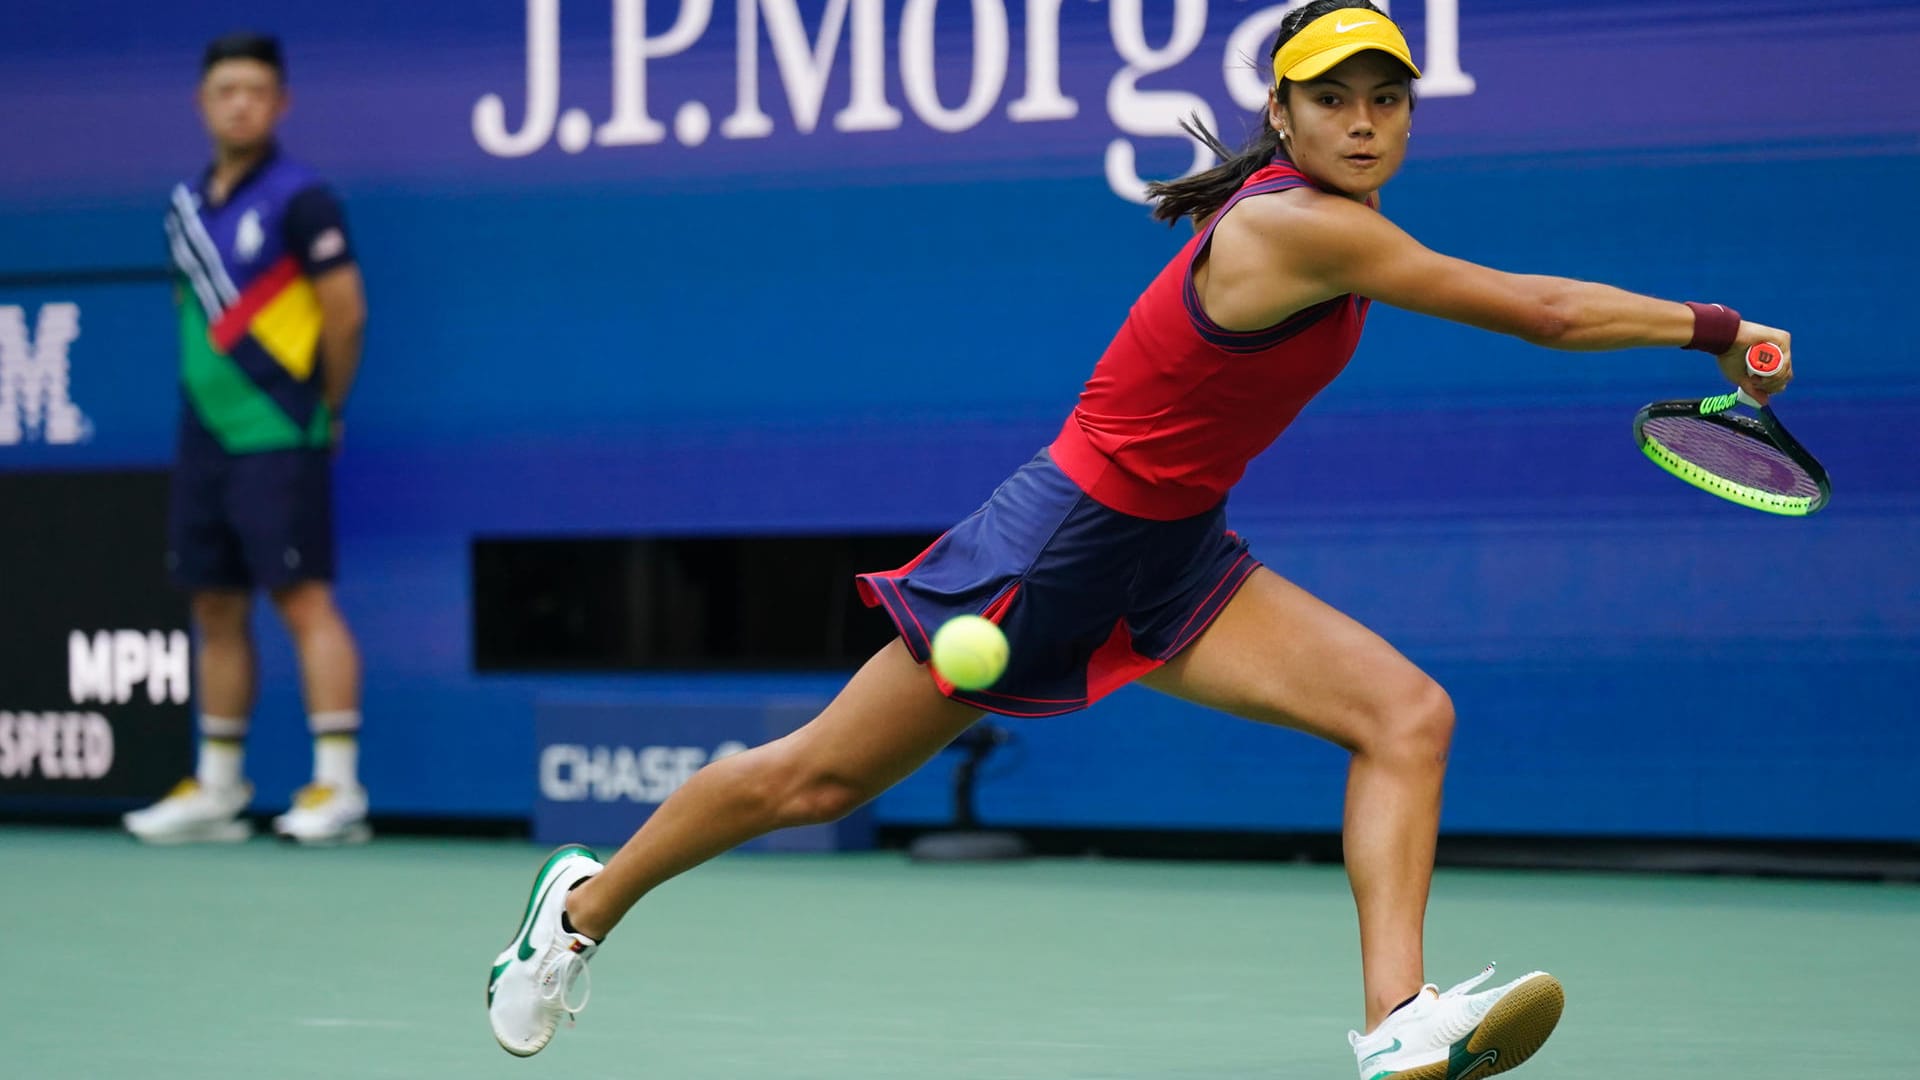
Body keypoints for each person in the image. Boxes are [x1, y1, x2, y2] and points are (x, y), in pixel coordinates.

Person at [484, 3, 1792, 1076]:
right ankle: (581, 909)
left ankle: (1397, 1020)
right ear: (1282, 116)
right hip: (1052, 551)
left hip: (1174, 555)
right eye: (1333, 96)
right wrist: (1714, 327)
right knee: (812, 783)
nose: (1362, 118)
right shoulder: (1299, 226)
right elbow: (1544, 313)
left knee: (1406, 717)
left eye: (1385, 96)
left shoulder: (1339, 225)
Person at [124, 32, 372, 846]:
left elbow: (346, 312)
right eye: (226, 89)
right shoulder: (183, 209)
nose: (241, 103)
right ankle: (220, 788)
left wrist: (323, 409)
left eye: (257, 91)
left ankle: (337, 788)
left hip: (282, 425)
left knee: (304, 600)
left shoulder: (304, 198)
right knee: (214, 602)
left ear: (280, 104)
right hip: (205, 434)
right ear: (204, 103)